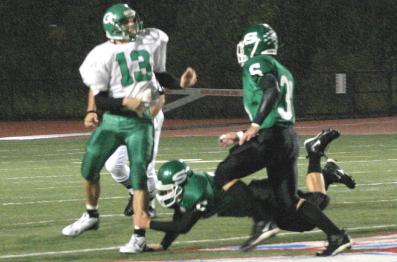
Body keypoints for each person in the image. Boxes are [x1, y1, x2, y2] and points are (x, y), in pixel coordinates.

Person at [61, 3, 197, 254]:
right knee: (92, 167)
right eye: (128, 21)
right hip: (114, 119)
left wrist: (179, 83)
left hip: (142, 120)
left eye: (133, 19)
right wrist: (113, 105)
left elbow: (160, 75)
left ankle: (138, 236)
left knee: (140, 176)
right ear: (114, 26)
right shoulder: (99, 54)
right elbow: (99, 94)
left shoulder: (153, 40)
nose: (134, 24)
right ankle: (91, 215)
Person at [213, 23, 352, 256]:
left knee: (223, 174)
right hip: (287, 138)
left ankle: (262, 222)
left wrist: (254, 125)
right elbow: (275, 110)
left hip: (271, 138)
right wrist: (240, 135)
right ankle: (337, 236)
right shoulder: (282, 68)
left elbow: (271, 90)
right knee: (289, 201)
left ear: (255, 44)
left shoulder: (256, 63)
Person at [135, 131, 356, 254]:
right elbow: (180, 215)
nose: (166, 193)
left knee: (315, 207)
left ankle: (316, 154)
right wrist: (163, 245)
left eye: (169, 188)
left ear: (181, 183)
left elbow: (183, 225)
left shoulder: (198, 192)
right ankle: (327, 173)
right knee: (307, 214)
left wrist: (148, 223)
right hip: (259, 199)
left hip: (264, 197)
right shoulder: (190, 190)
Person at [83, 67, 197, 218]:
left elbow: (161, 87)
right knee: (113, 165)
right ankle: (134, 192)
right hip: (123, 116)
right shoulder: (108, 58)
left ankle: (148, 204)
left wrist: (181, 83)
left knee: (145, 167)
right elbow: (96, 86)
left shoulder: (142, 56)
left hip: (148, 115)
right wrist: (92, 111)